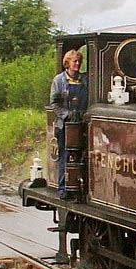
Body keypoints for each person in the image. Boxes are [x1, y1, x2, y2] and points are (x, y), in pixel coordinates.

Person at [50, 50, 89, 198]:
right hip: (65, 125)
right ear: (68, 63)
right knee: (65, 155)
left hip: (81, 122)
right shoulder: (59, 80)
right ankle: (63, 187)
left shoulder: (84, 80)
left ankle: (79, 186)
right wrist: (66, 114)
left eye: (79, 61)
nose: (77, 64)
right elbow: (54, 103)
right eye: (75, 61)